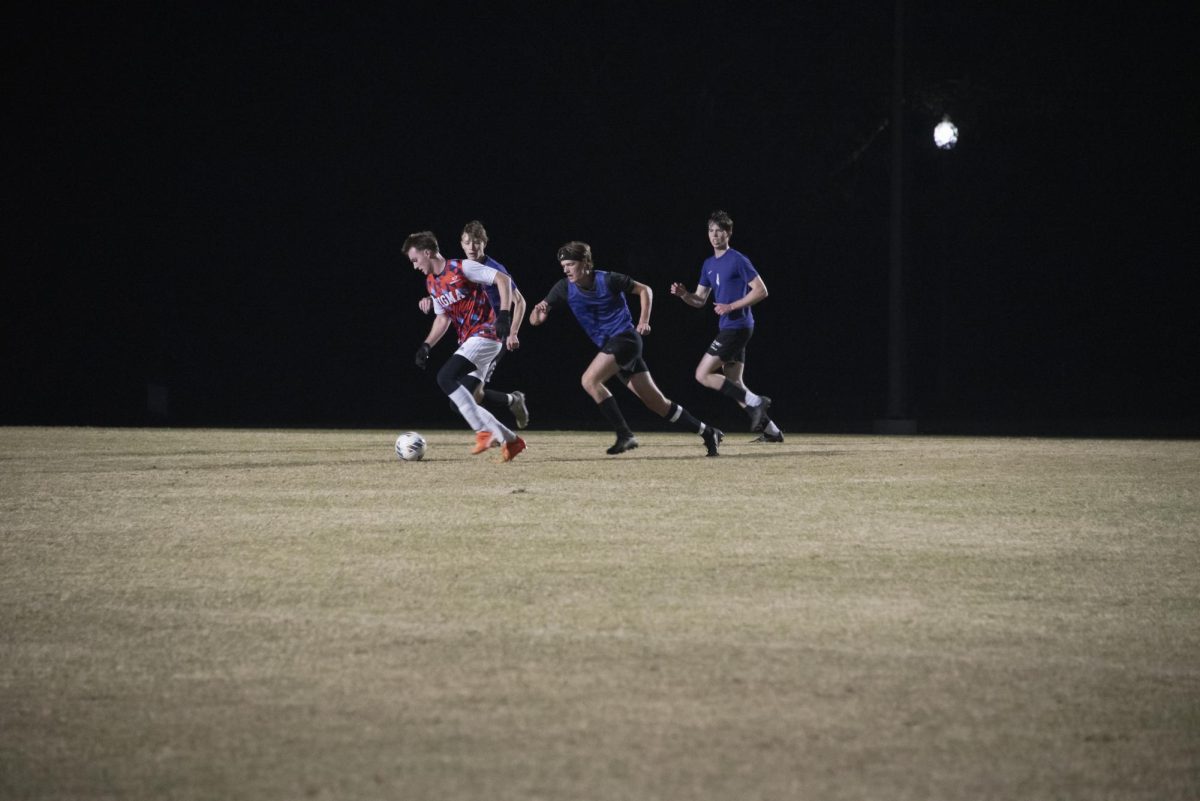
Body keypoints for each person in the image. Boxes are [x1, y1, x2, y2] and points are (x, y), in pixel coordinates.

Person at [530, 241, 723, 457]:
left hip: (626, 339)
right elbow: (534, 320)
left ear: (585, 263)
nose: (566, 269)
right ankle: (708, 432)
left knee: (589, 380)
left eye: (570, 264)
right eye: (563, 265)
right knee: (658, 403)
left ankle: (624, 434)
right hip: (612, 347)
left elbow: (645, 290)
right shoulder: (563, 287)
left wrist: (644, 321)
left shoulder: (609, 279)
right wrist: (540, 313)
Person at [405, 230, 526, 461]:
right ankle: (511, 440)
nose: (414, 266)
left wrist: (503, 315)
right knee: (458, 401)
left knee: (445, 377)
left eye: (415, 260)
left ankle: (484, 431)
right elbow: (443, 318)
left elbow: (503, 279)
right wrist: (427, 345)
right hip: (471, 339)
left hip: (487, 334)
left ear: (427, 253)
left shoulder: (462, 268)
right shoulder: (431, 283)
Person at [670, 210, 783, 442]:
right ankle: (772, 432)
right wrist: (684, 295)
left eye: (719, 232)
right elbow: (700, 300)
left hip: (739, 326)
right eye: (711, 231)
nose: (714, 236)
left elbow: (761, 291)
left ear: (728, 234)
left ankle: (756, 401)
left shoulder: (738, 259)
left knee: (702, 374)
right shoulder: (708, 264)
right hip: (728, 326)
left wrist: (731, 307)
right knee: (735, 383)